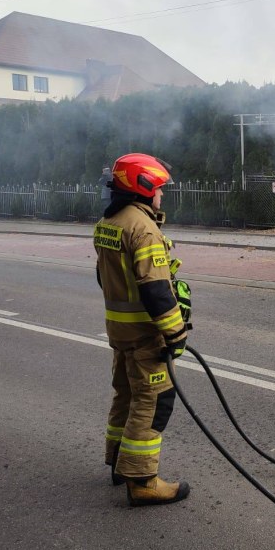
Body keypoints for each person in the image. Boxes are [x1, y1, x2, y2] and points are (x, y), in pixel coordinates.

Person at [94, 153, 190, 507]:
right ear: (144, 186)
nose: (162, 195)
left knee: (125, 395)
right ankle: (142, 480)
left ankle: (118, 464)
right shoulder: (143, 227)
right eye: (160, 188)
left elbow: (103, 277)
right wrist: (176, 334)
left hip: (119, 332)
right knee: (154, 401)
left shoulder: (110, 222)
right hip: (145, 336)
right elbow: (155, 289)